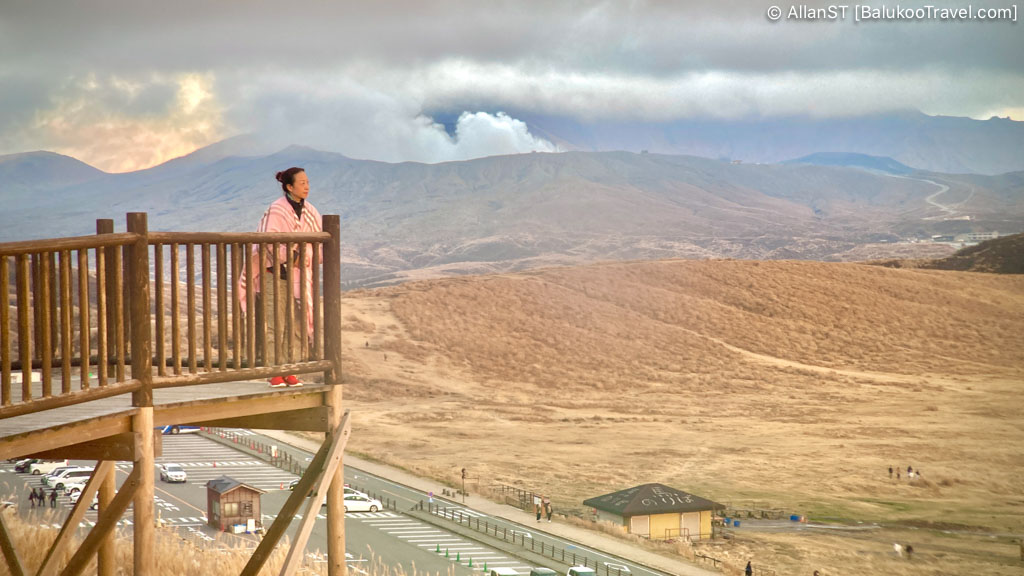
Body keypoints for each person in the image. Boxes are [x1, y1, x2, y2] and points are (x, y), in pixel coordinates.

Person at [238, 167, 323, 388]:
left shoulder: (311, 212)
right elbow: (268, 242)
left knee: (296, 324)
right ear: (289, 187)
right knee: (274, 323)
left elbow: (316, 244)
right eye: (302, 182)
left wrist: (302, 258)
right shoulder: (277, 210)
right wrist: (292, 256)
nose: (306, 186)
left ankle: (290, 370)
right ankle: (275, 372)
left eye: (308, 182)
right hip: (273, 274)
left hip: (297, 276)